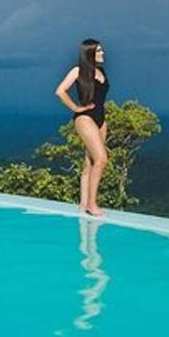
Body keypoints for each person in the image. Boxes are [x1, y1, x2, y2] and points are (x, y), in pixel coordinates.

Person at [55, 38, 110, 216]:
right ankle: (92, 204)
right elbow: (60, 91)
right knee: (102, 159)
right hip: (85, 117)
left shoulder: (101, 71)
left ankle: (83, 203)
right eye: (99, 50)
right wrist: (76, 108)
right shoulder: (78, 70)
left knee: (90, 163)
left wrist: (103, 121)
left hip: (101, 119)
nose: (103, 53)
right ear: (89, 53)